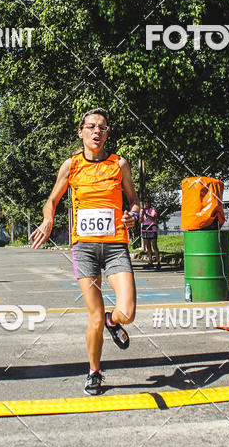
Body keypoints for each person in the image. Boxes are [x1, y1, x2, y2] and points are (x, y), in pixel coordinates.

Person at [30, 108, 140, 395]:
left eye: (102, 127)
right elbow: (52, 200)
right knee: (94, 316)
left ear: (107, 133)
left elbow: (135, 201)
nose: (96, 132)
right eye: (91, 127)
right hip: (85, 249)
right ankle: (94, 371)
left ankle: (113, 321)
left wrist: (133, 215)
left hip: (115, 246)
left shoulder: (120, 164)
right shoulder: (71, 165)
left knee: (127, 312)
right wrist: (48, 219)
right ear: (80, 132)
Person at [141, 196, 161, 270]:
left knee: (154, 246)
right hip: (145, 228)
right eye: (145, 202)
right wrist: (142, 215)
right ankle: (150, 262)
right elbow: (140, 221)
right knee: (148, 247)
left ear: (150, 202)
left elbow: (153, 218)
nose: (147, 203)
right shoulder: (142, 210)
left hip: (152, 228)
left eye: (148, 202)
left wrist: (146, 214)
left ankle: (158, 262)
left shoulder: (153, 209)